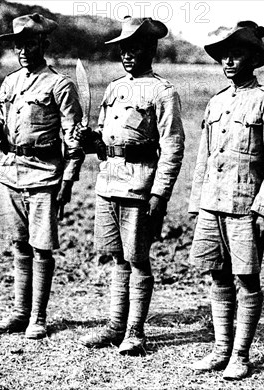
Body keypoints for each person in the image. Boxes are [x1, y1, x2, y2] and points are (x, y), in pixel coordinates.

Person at [188, 21, 264, 380]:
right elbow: (203, 156)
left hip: (245, 206)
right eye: (223, 56)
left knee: (246, 278)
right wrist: (196, 203)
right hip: (212, 204)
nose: (229, 61)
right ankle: (220, 348)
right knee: (216, 275)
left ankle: (240, 354)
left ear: (252, 59)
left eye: (236, 54)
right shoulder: (216, 101)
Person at [0, 13, 85, 339]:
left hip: (44, 175)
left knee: (41, 248)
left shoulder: (59, 85)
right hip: (11, 173)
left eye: (30, 43)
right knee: (19, 246)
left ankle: (38, 316)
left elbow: (73, 140)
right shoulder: (10, 82)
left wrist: (68, 181)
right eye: (18, 44)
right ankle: (20, 313)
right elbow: (2, 131)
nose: (23, 50)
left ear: (43, 44)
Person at [77, 16, 185, 356]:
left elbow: (172, 147)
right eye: (123, 49)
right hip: (108, 183)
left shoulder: (162, 92)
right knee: (117, 259)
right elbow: (103, 140)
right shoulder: (114, 88)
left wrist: (160, 193)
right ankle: (114, 325)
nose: (127, 55)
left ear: (150, 50)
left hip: (140, 186)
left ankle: (135, 331)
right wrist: (88, 140)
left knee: (138, 259)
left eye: (134, 48)